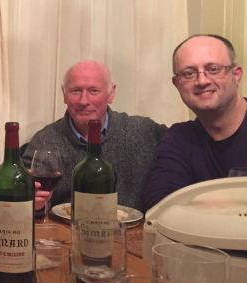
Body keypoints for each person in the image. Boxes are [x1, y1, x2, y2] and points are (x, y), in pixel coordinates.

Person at [22, 60, 166, 211]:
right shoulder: (45, 141)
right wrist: (37, 205)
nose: (83, 101)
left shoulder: (144, 132)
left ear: (111, 94)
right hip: (67, 226)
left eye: (94, 91)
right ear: (64, 94)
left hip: (131, 226)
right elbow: (29, 203)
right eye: (76, 91)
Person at [141, 34, 247, 211]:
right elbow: (159, 206)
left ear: (236, 75)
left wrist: (193, 203)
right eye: (189, 73)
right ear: (177, 84)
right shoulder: (179, 138)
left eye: (213, 69)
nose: (202, 81)